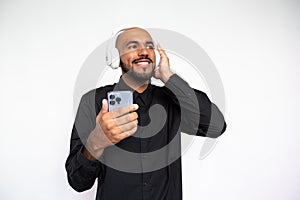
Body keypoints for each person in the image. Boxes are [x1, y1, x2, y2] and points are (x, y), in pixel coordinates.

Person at [65, 27, 226, 200]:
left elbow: (216, 126)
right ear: (116, 58)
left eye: (149, 46)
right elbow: (78, 182)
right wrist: (96, 142)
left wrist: (169, 77)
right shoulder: (93, 101)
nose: (143, 51)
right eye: (132, 46)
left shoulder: (173, 99)